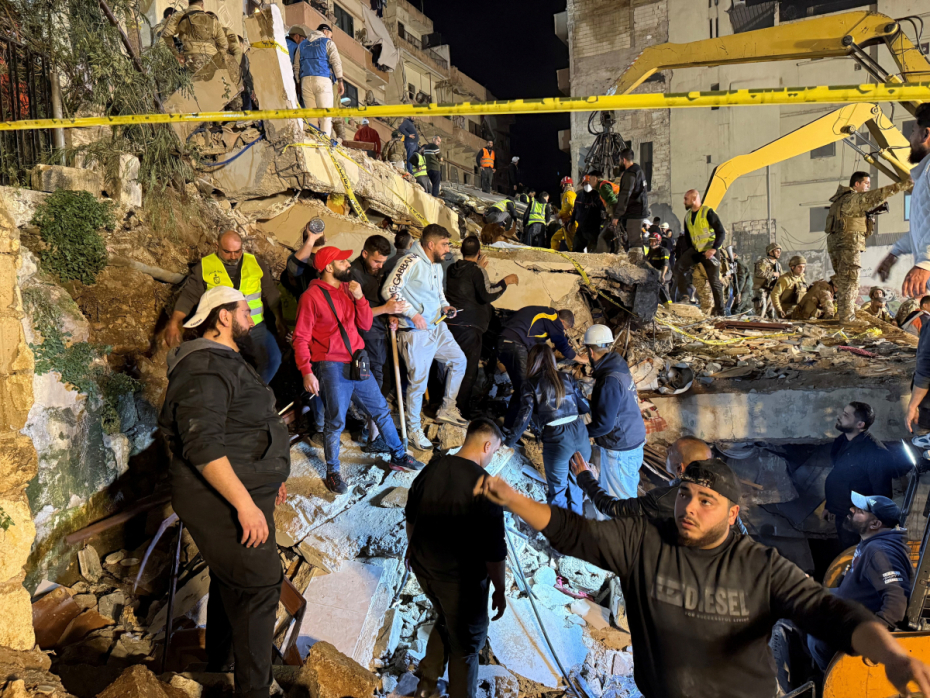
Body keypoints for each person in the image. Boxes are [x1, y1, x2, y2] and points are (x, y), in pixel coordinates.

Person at [474, 458, 930, 698]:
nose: (689, 508)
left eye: (706, 500)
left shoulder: (760, 566)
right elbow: (575, 532)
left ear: (732, 514)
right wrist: (512, 498)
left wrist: (891, 656)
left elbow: (831, 613)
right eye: (684, 495)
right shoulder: (643, 541)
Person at [158, 286, 290, 698]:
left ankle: (222, 664)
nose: (252, 318)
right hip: (219, 496)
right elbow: (203, 445)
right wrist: (245, 504)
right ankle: (254, 690)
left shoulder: (225, 361)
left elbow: (246, 424)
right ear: (223, 317)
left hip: (245, 485)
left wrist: (272, 473)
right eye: (245, 311)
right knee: (259, 585)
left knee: (233, 579)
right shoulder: (203, 367)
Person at [293, 246, 423, 493]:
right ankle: (333, 472)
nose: (348, 264)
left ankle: (398, 455)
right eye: (342, 261)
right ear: (328, 267)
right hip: (331, 365)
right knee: (335, 421)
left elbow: (364, 323)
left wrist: (360, 297)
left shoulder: (348, 289)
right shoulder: (311, 297)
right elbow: (300, 337)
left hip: (356, 361)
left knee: (381, 410)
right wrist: (306, 371)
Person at [405, 419, 508, 698]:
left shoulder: (432, 468)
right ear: (486, 446)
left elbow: (411, 514)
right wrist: (499, 589)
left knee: (445, 618)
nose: (493, 456)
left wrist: (412, 546)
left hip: (425, 572)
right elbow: (495, 552)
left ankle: (427, 687)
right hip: (460, 586)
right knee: (466, 648)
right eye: (495, 450)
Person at [772, 492, 913, 693]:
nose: (851, 510)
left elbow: (897, 601)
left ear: (875, 524)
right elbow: (856, 591)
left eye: (860, 511)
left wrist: (870, 636)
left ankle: (825, 685)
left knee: (805, 632)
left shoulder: (880, 551)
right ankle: (801, 681)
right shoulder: (869, 545)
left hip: (855, 626)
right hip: (848, 613)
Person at [381, 225, 469, 449]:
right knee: (418, 384)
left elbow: (439, 292)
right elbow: (389, 290)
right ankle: (414, 430)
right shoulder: (410, 261)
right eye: (444, 244)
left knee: (459, 360)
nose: (448, 249)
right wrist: (412, 313)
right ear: (431, 245)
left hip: (437, 327)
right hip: (415, 332)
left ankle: (447, 408)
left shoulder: (436, 265)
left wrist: (445, 305)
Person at [164, 230, 285, 383]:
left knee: (273, 359)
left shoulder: (256, 263)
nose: (233, 256)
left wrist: (279, 319)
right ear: (217, 246)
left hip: (254, 326)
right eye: (227, 252)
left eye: (237, 251)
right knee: (224, 366)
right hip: (222, 329)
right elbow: (188, 296)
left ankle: (255, 390)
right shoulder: (205, 266)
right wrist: (174, 322)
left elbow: (271, 293)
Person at [506, 344, 591, 513]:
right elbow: (585, 406)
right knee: (577, 486)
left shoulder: (530, 384)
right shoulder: (567, 377)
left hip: (557, 437)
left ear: (532, 361)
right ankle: (578, 526)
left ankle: (560, 529)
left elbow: (524, 418)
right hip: (580, 432)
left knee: (558, 491)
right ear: (552, 359)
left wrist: (508, 442)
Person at [349, 235, 409, 452]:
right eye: (376, 261)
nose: (380, 266)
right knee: (374, 379)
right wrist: (386, 310)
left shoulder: (377, 269)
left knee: (382, 377)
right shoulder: (353, 276)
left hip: (380, 329)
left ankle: (370, 429)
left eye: (383, 262)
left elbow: (381, 299)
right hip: (366, 333)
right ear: (365, 254)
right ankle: (373, 437)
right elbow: (354, 313)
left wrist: (390, 314)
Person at [445, 236, 518, 416]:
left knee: (450, 366)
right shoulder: (477, 271)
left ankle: (442, 404)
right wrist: (505, 282)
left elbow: (468, 286)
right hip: (470, 328)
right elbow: (487, 295)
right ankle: (459, 410)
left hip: (450, 324)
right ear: (479, 253)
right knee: (468, 370)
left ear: (461, 251)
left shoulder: (452, 269)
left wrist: (478, 270)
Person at [824, 402, 912, 548]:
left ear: (860, 425)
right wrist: (830, 505)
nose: (840, 416)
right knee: (845, 549)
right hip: (841, 512)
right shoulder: (841, 441)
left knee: (856, 552)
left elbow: (882, 496)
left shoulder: (875, 452)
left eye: (846, 415)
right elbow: (838, 475)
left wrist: (868, 525)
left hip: (858, 520)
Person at [825, 171, 910, 320]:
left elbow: (859, 230)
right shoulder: (853, 198)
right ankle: (847, 317)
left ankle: (842, 313)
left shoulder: (839, 201)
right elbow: (879, 194)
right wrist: (905, 184)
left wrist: (868, 219)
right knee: (850, 281)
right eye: (866, 183)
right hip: (848, 245)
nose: (868, 187)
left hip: (836, 245)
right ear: (856, 184)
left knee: (843, 281)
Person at [582, 324, 646, 510]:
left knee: (618, 506)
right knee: (624, 493)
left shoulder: (609, 379)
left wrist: (579, 432)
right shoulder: (618, 365)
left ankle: (621, 528)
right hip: (633, 437)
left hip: (620, 447)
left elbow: (604, 425)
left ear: (590, 352)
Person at [572, 436, 711, 519]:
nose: (667, 450)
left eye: (671, 451)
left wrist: (585, 478)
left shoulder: (663, 499)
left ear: (680, 468)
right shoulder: (716, 493)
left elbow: (614, 509)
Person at [498, 306, 587, 430]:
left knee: (523, 389)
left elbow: (538, 347)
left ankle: (512, 425)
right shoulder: (553, 318)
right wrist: (581, 359)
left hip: (506, 342)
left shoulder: (542, 316)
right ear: (562, 322)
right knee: (524, 390)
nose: (563, 332)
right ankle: (510, 429)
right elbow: (562, 345)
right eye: (564, 329)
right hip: (514, 344)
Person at [878, 103, 930, 299]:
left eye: (913, 131)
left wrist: (926, 263)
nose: (910, 139)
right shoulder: (924, 175)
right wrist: (896, 252)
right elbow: (922, 227)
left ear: (926, 134)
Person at [673, 189, 727, 316]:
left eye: (686, 199)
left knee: (714, 281)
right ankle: (685, 296)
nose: (684, 202)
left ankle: (721, 312)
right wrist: (689, 256)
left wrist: (714, 248)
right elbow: (688, 238)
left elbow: (721, 231)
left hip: (709, 251)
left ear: (694, 199)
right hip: (696, 250)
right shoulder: (687, 216)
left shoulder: (708, 212)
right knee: (678, 267)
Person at [293, 23, 344, 138]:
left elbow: (296, 66)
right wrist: (340, 80)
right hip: (322, 80)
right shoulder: (328, 43)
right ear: (325, 32)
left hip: (305, 82)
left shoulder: (302, 45)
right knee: (325, 116)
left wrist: (298, 82)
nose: (331, 38)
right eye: (331, 36)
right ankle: (324, 142)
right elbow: (336, 62)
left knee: (312, 117)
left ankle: (314, 141)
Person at [160, 0, 228, 75]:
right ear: (202, 5)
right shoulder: (213, 19)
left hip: (191, 59)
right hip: (212, 60)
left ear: (189, 3)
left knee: (192, 81)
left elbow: (166, 34)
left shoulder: (180, 16)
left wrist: (176, 54)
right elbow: (223, 45)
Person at [603, 148, 649, 253]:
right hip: (638, 211)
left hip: (634, 213)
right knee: (634, 241)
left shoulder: (630, 173)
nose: (619, 163)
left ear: (623, 160)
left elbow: (625, 194)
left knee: (634, 242)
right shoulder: (638, 170)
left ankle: (637, 262)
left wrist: (617, 216)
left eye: (619, 160)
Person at [570, 174, 607, 253]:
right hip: (581, 228)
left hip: (593, 230)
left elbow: (602, 210)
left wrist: (603, 223)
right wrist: (571, 222)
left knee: (592, 253)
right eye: (586, 183)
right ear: (583, 184)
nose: (587, 185)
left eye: (589, 183)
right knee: (576, 250)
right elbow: (575, 210)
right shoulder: (579, 196)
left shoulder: (597, 196)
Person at [770, 255, 807, 319]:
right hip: (788, 311)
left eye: (803, 267)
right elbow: (775, 294)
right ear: (793, 267)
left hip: (800, 309)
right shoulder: (785, 279)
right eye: (799, 267)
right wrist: (779, 310)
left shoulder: (801, 278)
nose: (802, 269)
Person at [752, 243, 782, 316]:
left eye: (779, 251)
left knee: (771, 313)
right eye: (777, 251)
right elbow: (759, 273)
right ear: (770, 252)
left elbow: (781, 276)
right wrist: (773, 274)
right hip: (762, 290)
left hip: (771, 290)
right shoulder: (763, 262)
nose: (779, 253)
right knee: (761, 312)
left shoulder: (778, 265)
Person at [550, 176, 577, 251]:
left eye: (562, 186)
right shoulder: (573, 194)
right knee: (555, 238)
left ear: (564, 185)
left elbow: (568, 207)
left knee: (571, 244)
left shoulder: (568, 194)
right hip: (568, 223)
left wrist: (559, 214)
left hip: (569, 224)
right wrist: (558, 211)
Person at [645, 232, 671, 305]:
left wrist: (662, 276)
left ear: (658, 241)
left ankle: (668, 305)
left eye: (653, 241)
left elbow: (665, 264)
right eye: (650, 241)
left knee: (660, 285)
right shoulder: (651, 251)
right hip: (656, 272)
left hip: (665, 272)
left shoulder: (663, 251)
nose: (651, 243)